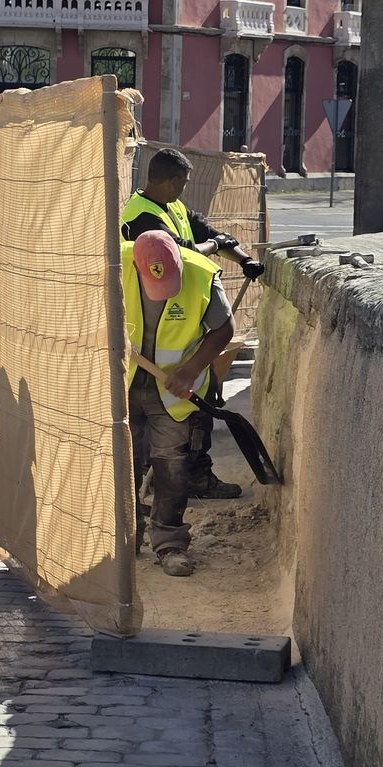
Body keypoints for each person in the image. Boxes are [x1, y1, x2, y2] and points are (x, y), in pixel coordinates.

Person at [121, 148, 262, 501]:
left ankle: (195, 476)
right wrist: (214, 246)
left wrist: (242, 258)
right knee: (146, 440)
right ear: (168, 181)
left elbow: (206, 232)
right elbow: (185, 254)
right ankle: (138, 503)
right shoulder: (141, 220)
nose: (184, 188)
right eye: (182, 182)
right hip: (147, 348)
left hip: (184, 339)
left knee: (198, 410)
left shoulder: (173, 208)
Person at [123, 231, 235, 578]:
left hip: (173, 392)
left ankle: (170, 543)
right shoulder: (113, 263)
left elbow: (224, 329)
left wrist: (189, 371)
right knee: (122, 463)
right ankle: (124, 537)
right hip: (123, 383)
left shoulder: (200, 274)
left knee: (171, 466)